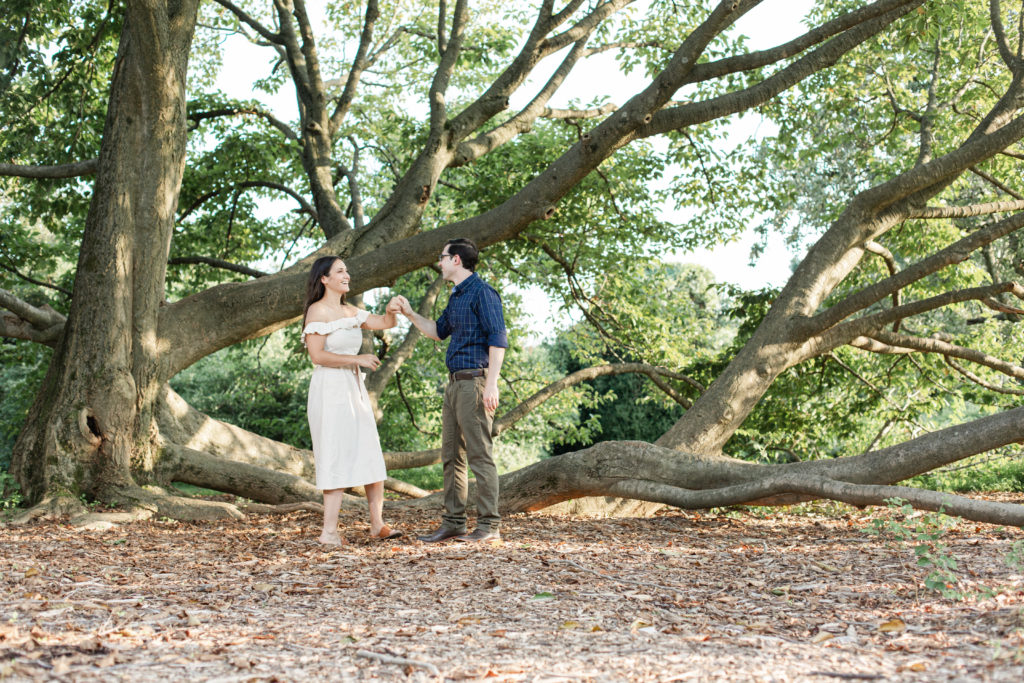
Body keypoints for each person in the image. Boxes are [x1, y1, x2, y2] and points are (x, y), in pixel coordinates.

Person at [396, 238, 508, 543]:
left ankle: (489, 526)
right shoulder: (457, 296)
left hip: (475, 383)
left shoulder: (483, 293)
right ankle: (454, 522)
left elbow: (498, 340)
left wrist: (492, 384)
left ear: (456, 260)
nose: (439, 262)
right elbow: (437, 332)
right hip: (454, 384)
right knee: (452, 456)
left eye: (442, 257)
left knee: (479, 456)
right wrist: (408, 313)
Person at [302, 255, 405, 546]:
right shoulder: (317, 311)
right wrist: (356, 358)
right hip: (329, 389)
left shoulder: (351, 311)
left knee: (369, 450)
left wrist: (391, 311)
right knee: (335, 453)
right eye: (340, 271)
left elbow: (384, 323)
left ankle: (377, 525)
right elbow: (317, 356)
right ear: (324, 279)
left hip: (353, 388)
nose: (347, 274)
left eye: (347, 270)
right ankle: (329, 532)